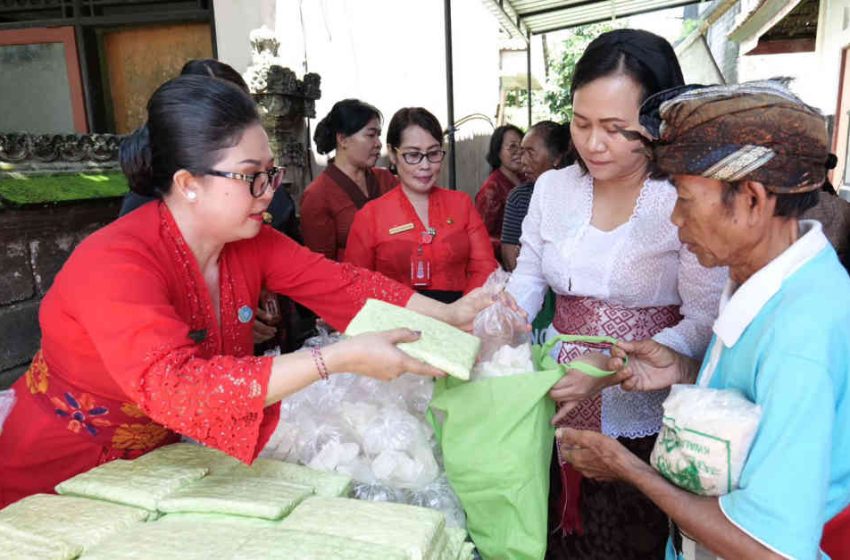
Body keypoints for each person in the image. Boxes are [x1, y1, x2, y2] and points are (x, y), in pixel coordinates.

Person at [0, 76, 496, 507]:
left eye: (270, 174)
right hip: (60, 470)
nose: (270, 194)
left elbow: (342, 283)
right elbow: (179, 386)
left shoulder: (247, 240)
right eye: (251, 177)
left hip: (161, 463)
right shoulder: (115, 263)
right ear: (188, 183)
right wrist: (336, 360)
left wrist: (447, 315)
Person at [560, 80, 850, 560]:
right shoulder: (767, 282)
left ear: (752, 200)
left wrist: (628, 468)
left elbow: (772, 549)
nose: (675, 218)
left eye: (686, 199)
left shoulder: (804, 330)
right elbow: (764, 407)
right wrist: (683, 370)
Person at [505, 29, 727, 559]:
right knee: (550, 532)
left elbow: (703, 321)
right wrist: (490, 326)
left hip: (643, 415)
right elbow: (528, 281)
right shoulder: (554, 188)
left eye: (616, 129)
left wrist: (607, 364)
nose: (593, 143)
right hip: (555, 398)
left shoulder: (679, 200)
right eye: (581, 123)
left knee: (626, 542)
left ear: (657, 124)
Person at [345, 107, 497, 304]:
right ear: (392, 154)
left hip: (461, 321)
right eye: (413, 155)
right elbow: (358, 283)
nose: (425, 165)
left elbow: (484, 266)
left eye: (433, 153)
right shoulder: (370, 216)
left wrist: (460, 312)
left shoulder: (461, 204)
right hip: (396, 326)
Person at [300, 99, 396, 261]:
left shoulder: (386, 180)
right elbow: (322, 266)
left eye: (378, 135)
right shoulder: (318, 195)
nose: (378, 144)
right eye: (371, 135)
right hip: (351, 283)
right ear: (343, 139)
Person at [500, 120, 573, 271]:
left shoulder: (580, 194)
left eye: (531, 152)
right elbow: (512, 261)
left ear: (557, 158)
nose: (523, 161)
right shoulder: (520, 198)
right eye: (522, 152)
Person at [475, 124, 524, 260]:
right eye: (512, 146)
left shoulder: (525, 179)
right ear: (498, 151)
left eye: (522, 146)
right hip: (503, 264)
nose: (519, 151)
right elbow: (481, 236)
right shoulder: (491, 189)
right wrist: (509, 247)